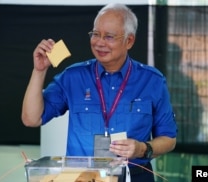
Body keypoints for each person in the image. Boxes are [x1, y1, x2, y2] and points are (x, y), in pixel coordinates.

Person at [22, 3, 177, 182]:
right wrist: (39, 71)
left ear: (129, 41)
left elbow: (169, 138)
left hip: (134, 177)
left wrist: (142, 148)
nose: (99, 42)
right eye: (95, 34)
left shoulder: (152, 81)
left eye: (109, 37)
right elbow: (31, 118)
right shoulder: (73, 77)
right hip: (82, 178)